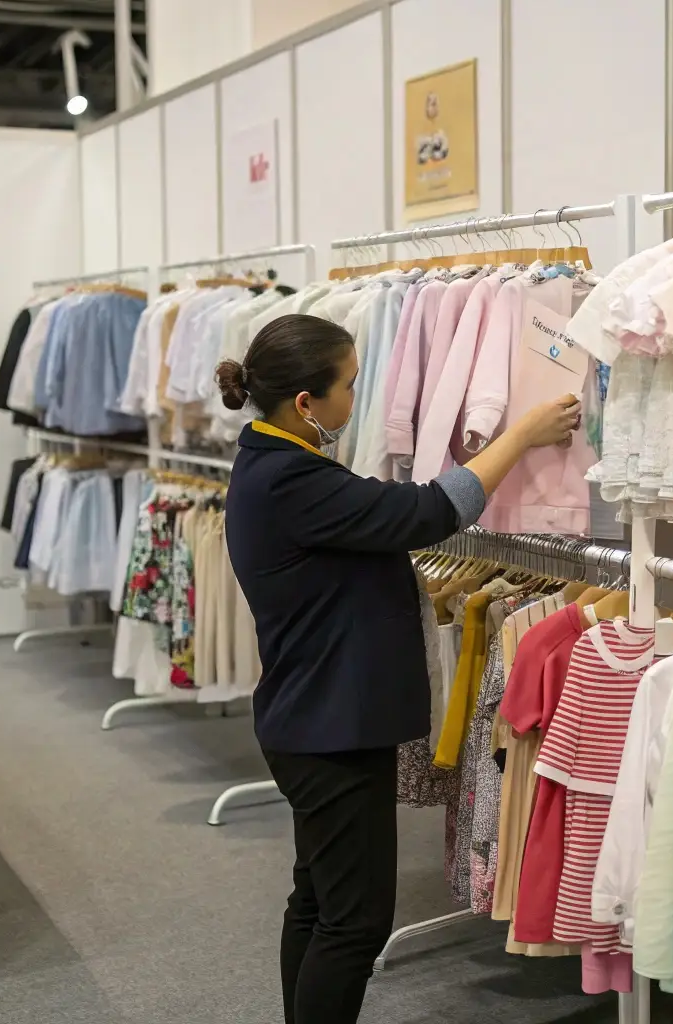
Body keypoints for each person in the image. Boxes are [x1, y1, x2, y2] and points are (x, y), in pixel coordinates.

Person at [216, 313, 580, 1024]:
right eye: (350, 385)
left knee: (319, 900)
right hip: (329, 731)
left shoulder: (271, 460)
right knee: (353, 923)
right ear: (306, 404)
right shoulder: (291, 480)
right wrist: (521, 435)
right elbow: (425, 512)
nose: (358, 397)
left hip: (312, 716)